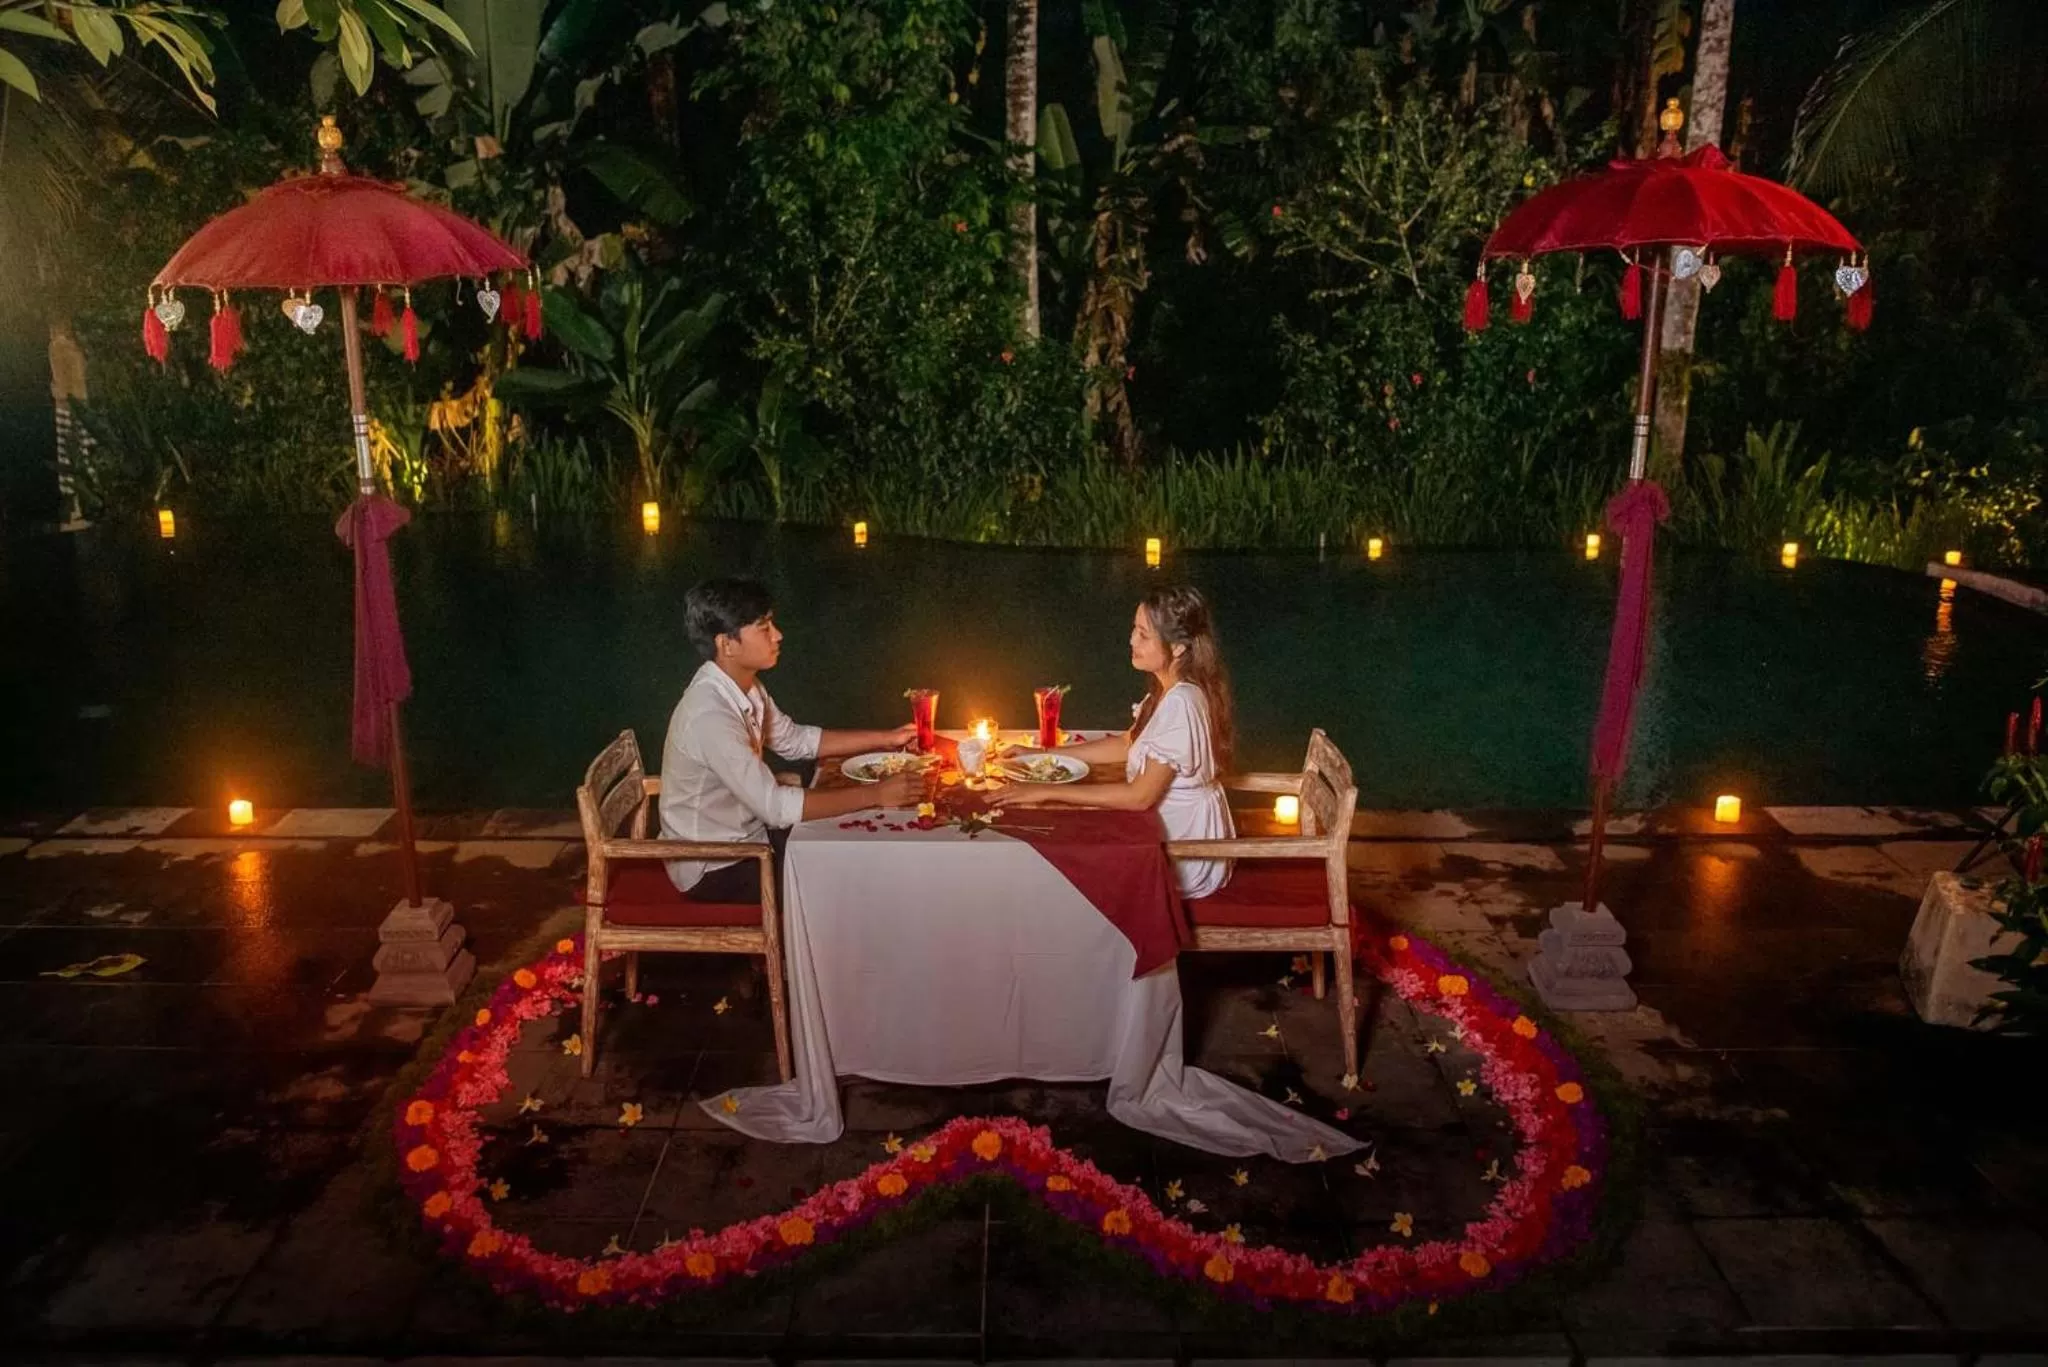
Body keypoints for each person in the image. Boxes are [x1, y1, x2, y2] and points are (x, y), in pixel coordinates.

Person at [662, 577, 921, 901]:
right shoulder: (711, 715)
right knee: (854, 873)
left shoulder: (745, 687)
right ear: (726, 644)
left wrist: (887, 739)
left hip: (749, 837)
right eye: (764, 627)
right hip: (715, 865)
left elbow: (795, 740)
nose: (778, 635)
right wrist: (878, 794)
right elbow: (776, 808)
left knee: (851, 847)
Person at [990, 583, 1235, 898]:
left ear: (1177, 647)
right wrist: (1041, 754)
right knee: (1071, 839)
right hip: (1165, 833)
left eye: (1144, 635)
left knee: (1070, 865)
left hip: (1186, 852)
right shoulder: (1171, 690)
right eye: (1135, 630)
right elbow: (1125, 744)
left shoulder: (1182, 703)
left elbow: (1139, 797)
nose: (1132, 640)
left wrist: (1044, 790)